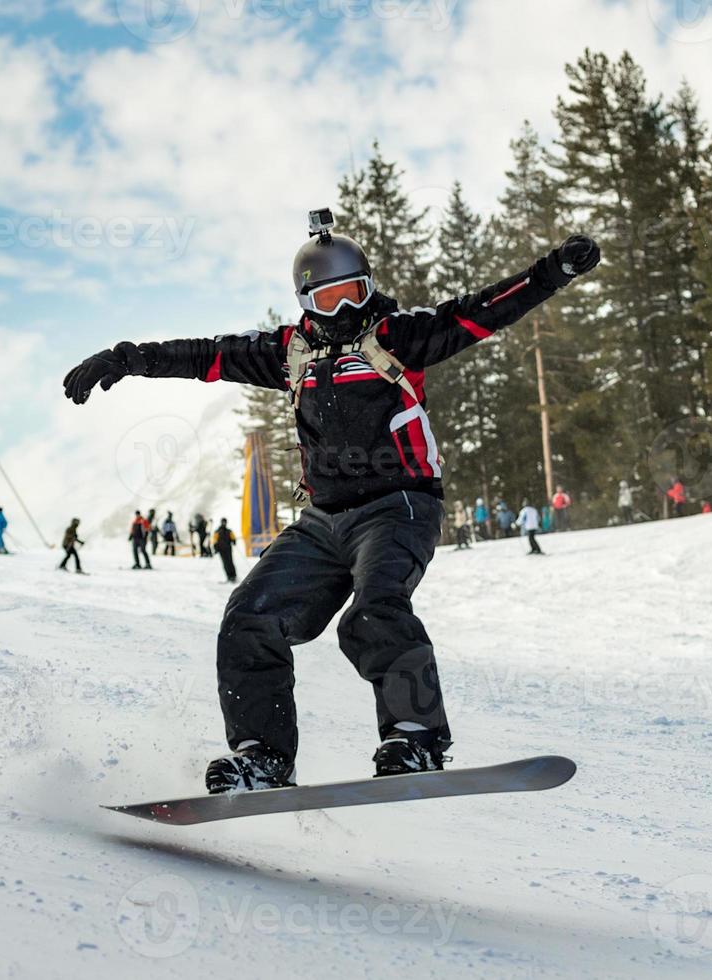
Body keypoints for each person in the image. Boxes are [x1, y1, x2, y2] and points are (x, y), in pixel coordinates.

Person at [63, 206, 599, 789]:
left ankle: (414, 737)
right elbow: (204, 354)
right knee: (249, 616)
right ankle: (262, 757)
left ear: (370, 288)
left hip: (400, 505)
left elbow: (483, 312)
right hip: (322, 521)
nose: (344, 311)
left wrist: (554, 271)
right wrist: (129, 358)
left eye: (355, 294)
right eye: (328, 299)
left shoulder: (401, 335)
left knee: (374, 610)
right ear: (305, 300)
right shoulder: (288, 351)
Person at [213, 518, 238, 584]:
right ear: (221, 522)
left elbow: (233, 537)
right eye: (223, 522)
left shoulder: (229, 531)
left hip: (228, 549)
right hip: (221, 550)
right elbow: (215, 540)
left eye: (225, 522)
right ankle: (229, 576)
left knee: (230, 562)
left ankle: (233, 576)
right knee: (225, 563)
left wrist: (234, 541)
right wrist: (215, 548)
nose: (224, 523)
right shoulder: (217, 531)